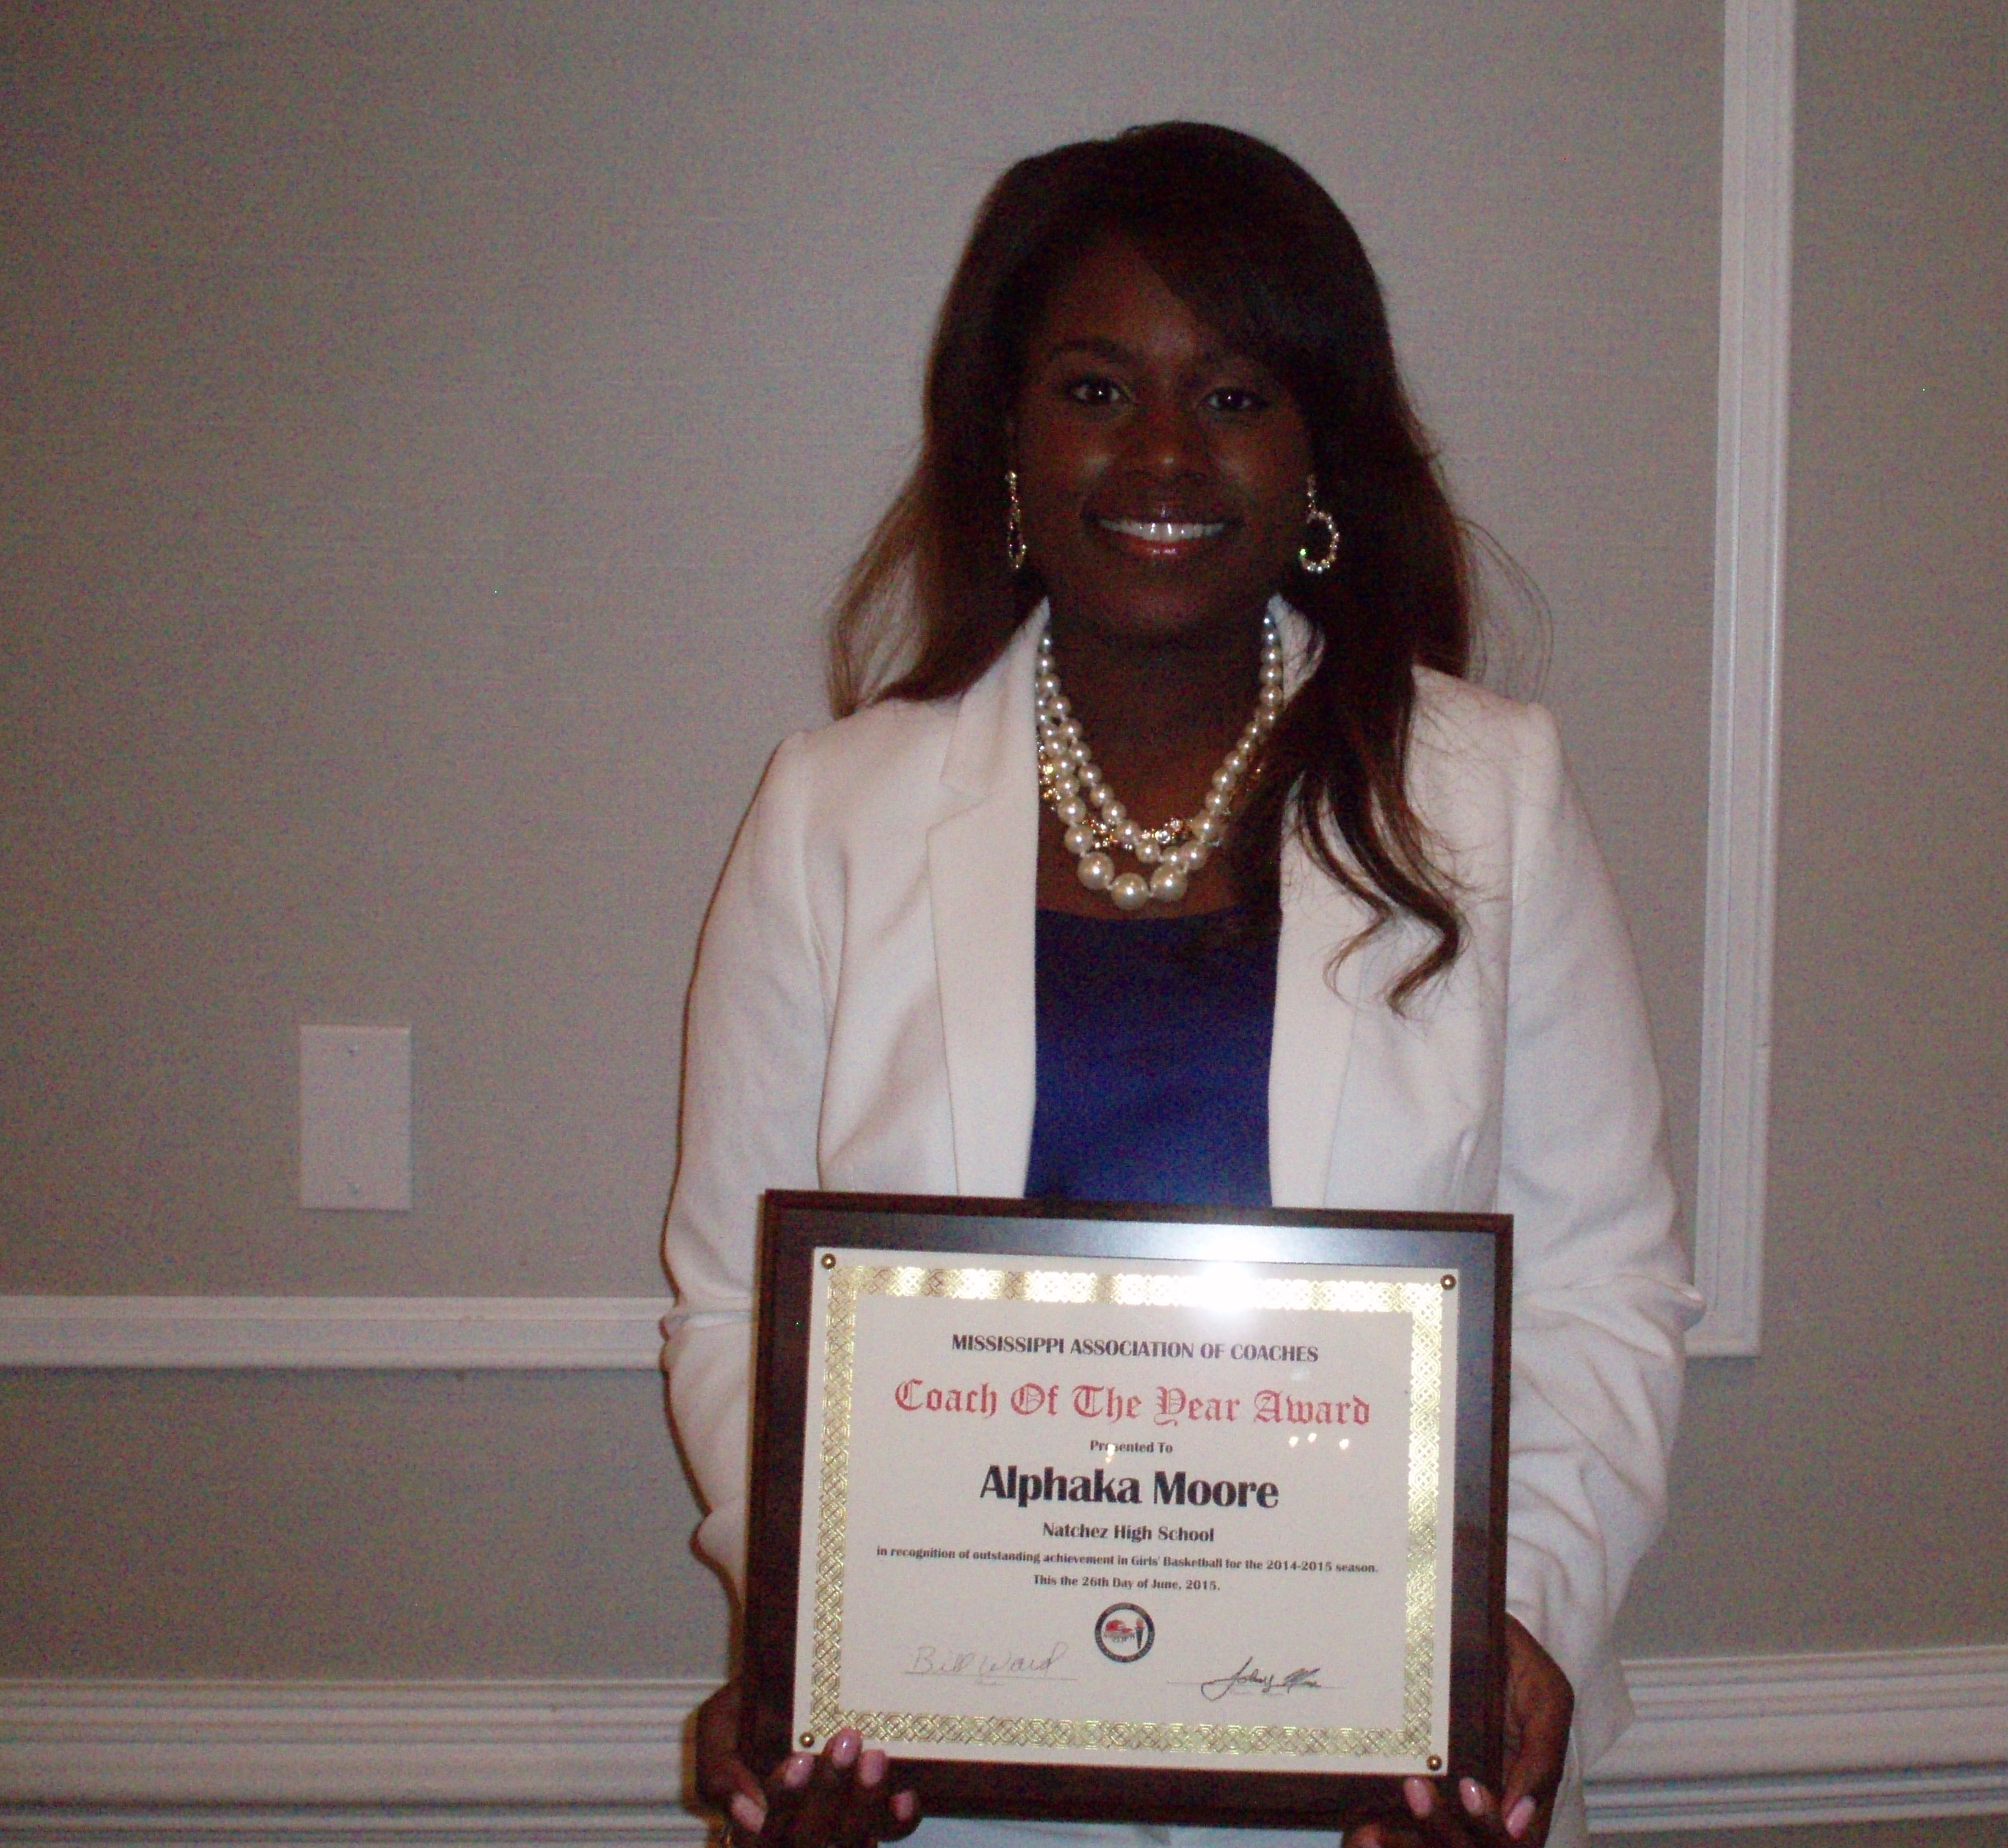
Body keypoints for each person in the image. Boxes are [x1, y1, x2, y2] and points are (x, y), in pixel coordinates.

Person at [662, 120, 1699, 1848]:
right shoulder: (829, 813)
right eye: (1093, 390)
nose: (1159, 451)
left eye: (1232, 396)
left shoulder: (1489, 794)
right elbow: (735, 1310)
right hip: (949, 1785)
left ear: (1319, 453)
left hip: (1383, 1786)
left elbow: (1601, 1283)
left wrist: (1511, 1625)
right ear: (1006, 437)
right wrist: (821, 1639)